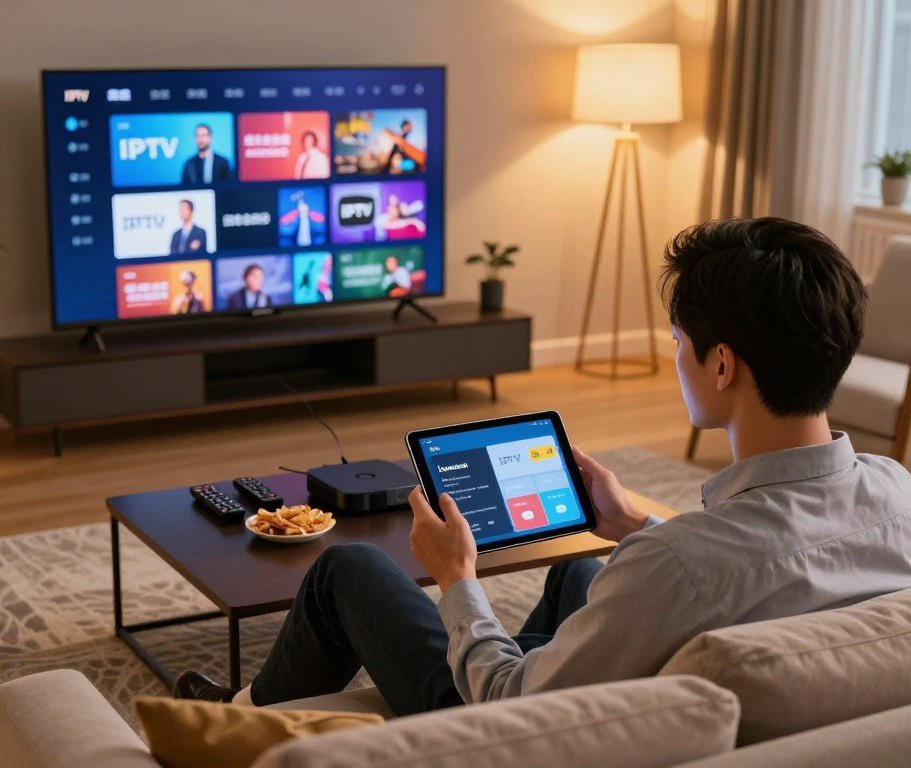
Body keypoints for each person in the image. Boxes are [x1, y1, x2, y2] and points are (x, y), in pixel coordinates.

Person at [174, 217, 911, 716]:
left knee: (351, 570)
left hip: (508, 729)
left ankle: (241, 722)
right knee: (576, 574)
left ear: (721, 364)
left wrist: (461, 582)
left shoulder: (674, 565)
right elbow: (768, 561)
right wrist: (633, 525)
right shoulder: (897, 493)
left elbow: (511, 702)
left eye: (678, 338)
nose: (675, 355)